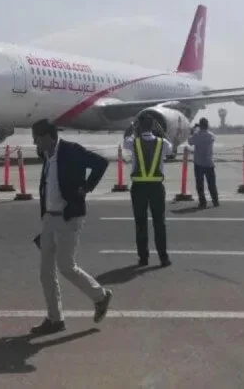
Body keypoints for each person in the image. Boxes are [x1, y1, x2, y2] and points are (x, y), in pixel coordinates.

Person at [31, 118, 113, 335]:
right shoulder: (47, 155)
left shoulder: (71, 150)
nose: (35, 143)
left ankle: (100, 296)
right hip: (49, 218)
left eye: (37, 139)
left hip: (68, 217)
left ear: (49, 137)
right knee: (45, 272)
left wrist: (86, 187)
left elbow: (101, 163)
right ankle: (55, 319)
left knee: (66, 266)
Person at [124, 114, 173, 267]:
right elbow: (170, 149)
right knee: (159, 223)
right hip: (156, 188)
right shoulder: (162, 142)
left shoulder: (133, 142)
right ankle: (163, 258)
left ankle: (143, 258)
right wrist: (161, 131)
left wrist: (132, 127)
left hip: (138, 188)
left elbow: (125, 139)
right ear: (153, 126)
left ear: (139, 127)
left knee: (141, 223)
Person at [187, 117, 219, 208]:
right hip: (209, 162)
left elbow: (190, 142)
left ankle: (202, 202)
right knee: (212, 184)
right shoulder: (211, 135)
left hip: (198, 163)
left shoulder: (196, 135)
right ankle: (215, 201)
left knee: (200, 184)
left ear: (200, 125)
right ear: (207, 125)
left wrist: (193, 130)